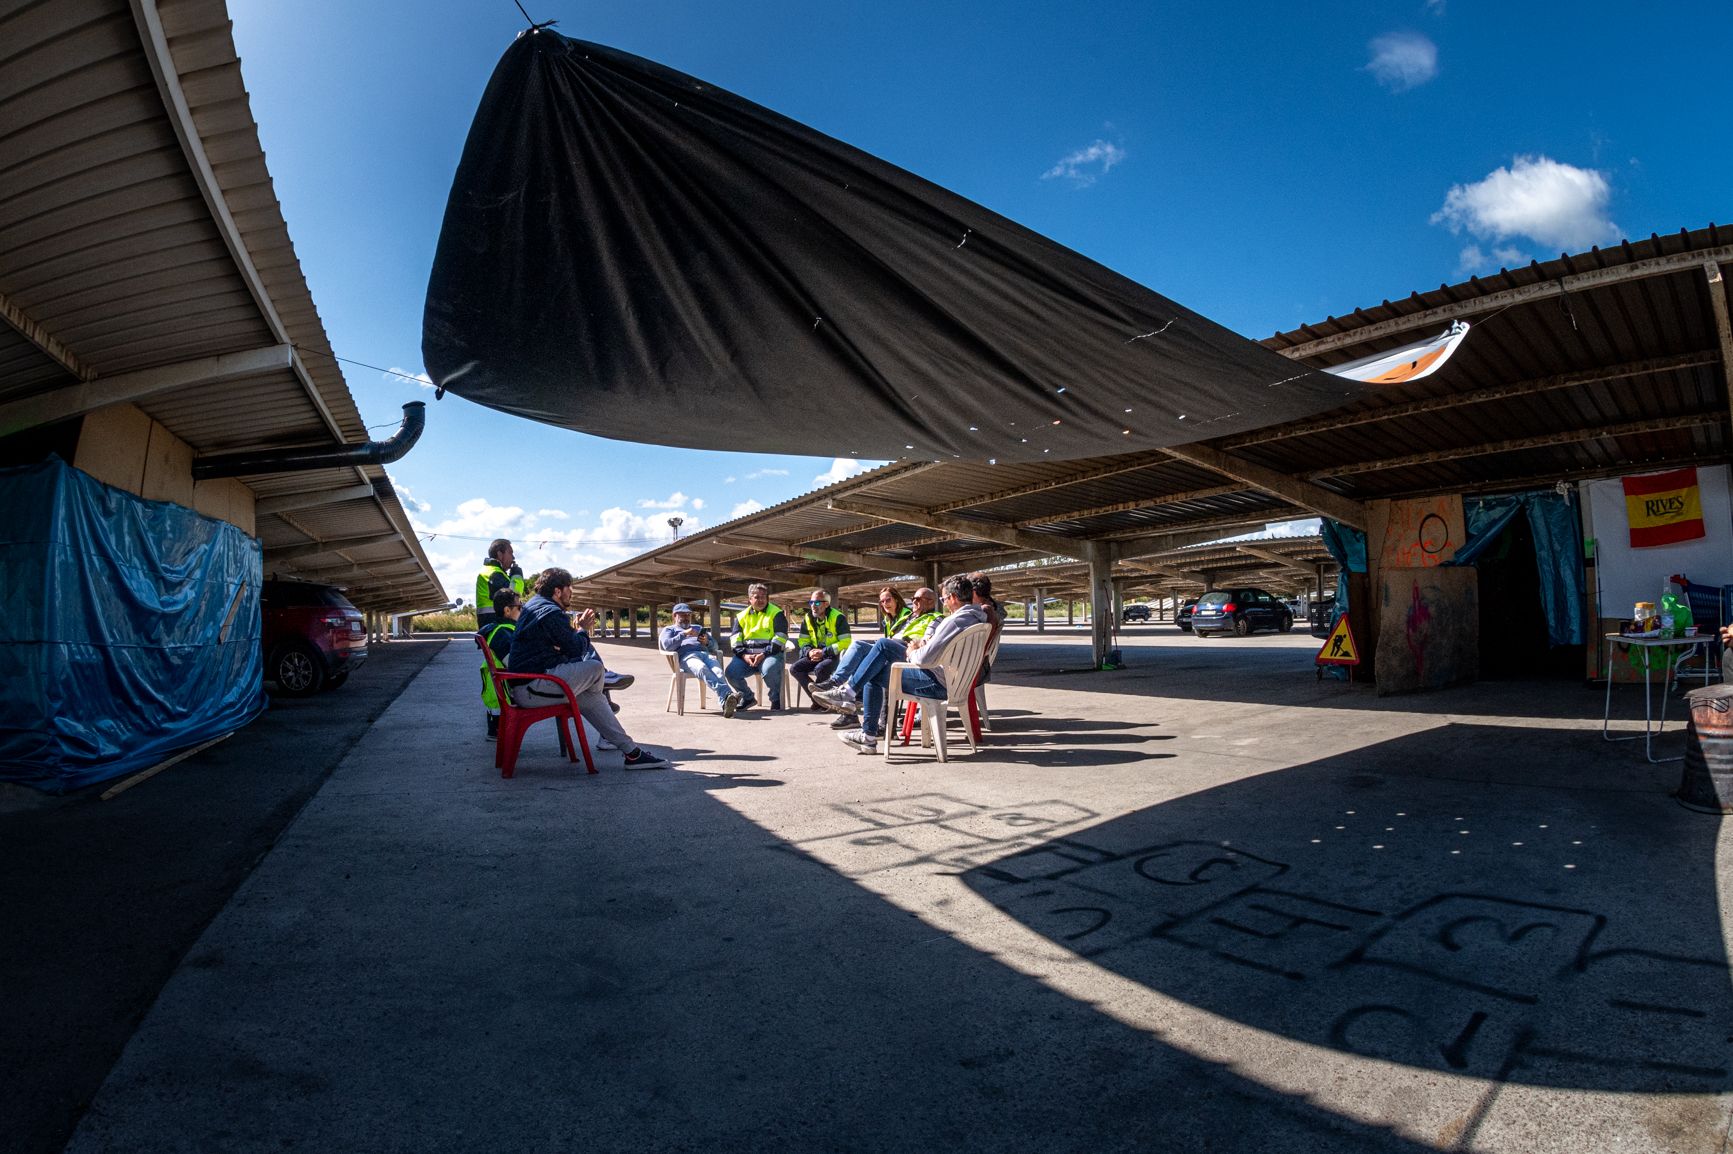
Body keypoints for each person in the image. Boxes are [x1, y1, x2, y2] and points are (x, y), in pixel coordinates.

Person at [507, 568, 668, 768]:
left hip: (532, 684)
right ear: (558, 591)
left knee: (591, 698)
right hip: (535, 687)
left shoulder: (535, 605)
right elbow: (574, 649)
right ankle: (604, 680)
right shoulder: (550, 612)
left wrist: (575, 635)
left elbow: (564, 646)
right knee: (595, 669)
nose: (571, 594)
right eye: (569, 589)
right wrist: (583, 629)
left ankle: (632, 753)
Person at [816, 574, 987, 753]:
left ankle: (851, 697)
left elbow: (924, 659)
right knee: (874, 670)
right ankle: (865, 734)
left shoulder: (954, 621)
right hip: (955, 683)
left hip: (937, 684)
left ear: (953, 598)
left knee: (882, 646)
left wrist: (912, 651)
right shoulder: (976, 617)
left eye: (944, 598)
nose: (943, 603)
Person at [817, 587, 942, 729]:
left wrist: (916, 644)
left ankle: (849, 696)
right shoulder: (910, 617)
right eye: (913, 599)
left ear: (930, 601)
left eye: (918, 599)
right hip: (892, 648)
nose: (913, 602)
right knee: (858, 647)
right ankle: (836, 684)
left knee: (880, 647)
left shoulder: (935, 618)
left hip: (907, 652)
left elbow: (928, 642)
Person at [660, 603, 745, 718]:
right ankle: (728, 694)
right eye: (683, 615)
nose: (686, 617)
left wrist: (707, 642)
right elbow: (666, 646)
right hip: (687, 657)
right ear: (675, 616)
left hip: (705, 654)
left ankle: (725, 702)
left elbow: (715, 646)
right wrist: (683, 634)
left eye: (688, 615)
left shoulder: (698, 628)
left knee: (718, 671)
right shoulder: (669, 629)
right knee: (701, 668)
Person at [726, 583, 788, 711]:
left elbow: (780, 638)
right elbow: (735, 639)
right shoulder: (741, 616)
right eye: (757, 597)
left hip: (769, 655)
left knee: (770, 669)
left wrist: (764, 654)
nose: (761, 600)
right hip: (747, 657)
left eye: (763, 597)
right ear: (749, 599)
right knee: (731, 673)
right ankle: (748, 698)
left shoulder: (776, 613)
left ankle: (775, 700)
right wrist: (744, 655)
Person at [788, 589, 852, 709]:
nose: (813, 606)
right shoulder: (808, 618)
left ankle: (820, 702)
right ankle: (819, 700)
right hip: (814, 654)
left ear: (826, 604)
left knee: (821, 668)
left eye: (817, 603)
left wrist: (824, 652)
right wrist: (809, 652)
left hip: (833, 655)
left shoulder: (838, 618)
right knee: (795, 669)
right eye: (811, 602)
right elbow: (803, 640)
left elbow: (846, 642)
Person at [479, 588, 522, 740]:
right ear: (507, 610)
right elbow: (515, 664)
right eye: (520, 606)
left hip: (499, 699)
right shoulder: (502, 633)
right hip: (508, 696)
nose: (522, 609)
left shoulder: (499, 629)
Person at [474, 538, 524, 631]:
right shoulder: (493, 574)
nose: (513, 557)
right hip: (498, 631)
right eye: (510, 553)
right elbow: (514, 594)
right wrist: (517, 575)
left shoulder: (496, 572)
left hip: (495, 627)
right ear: (500, 554)